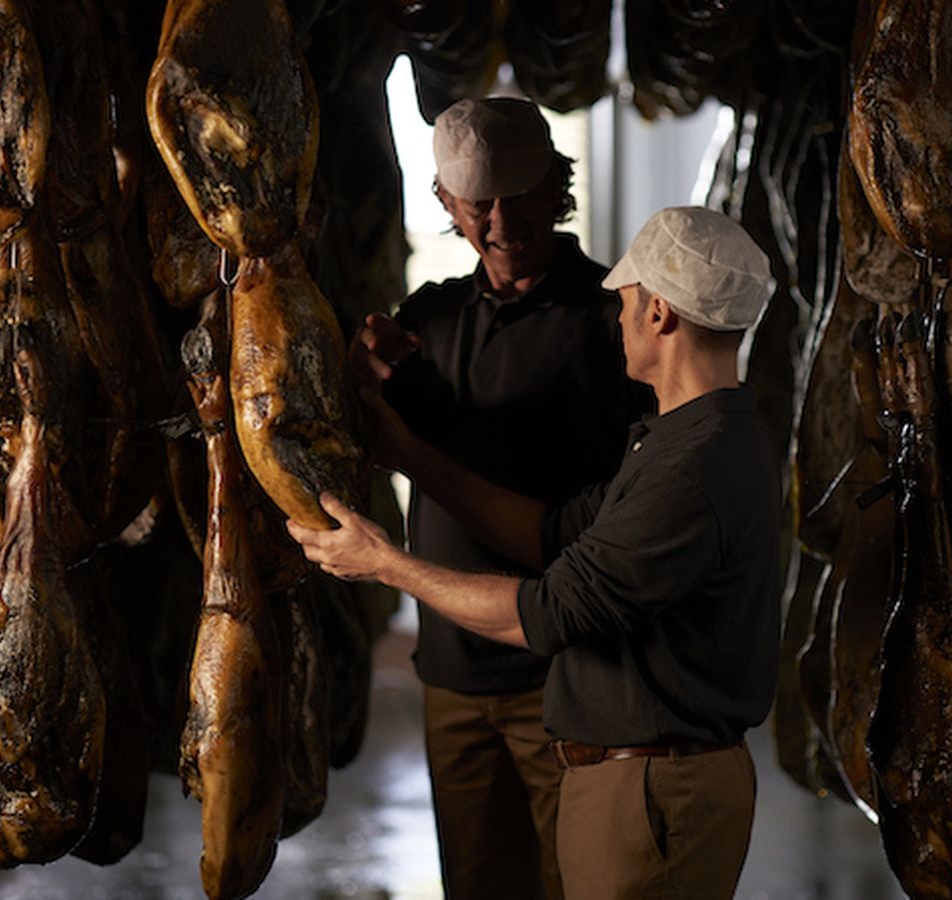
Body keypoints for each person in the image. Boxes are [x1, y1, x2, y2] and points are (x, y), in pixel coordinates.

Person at [292, 206, 783, 900]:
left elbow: (546, 612)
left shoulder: (693, 468)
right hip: (640, 785)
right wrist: (409, 456)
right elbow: (555, 533)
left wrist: (383, 562)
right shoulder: (693, 438)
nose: (616, 319)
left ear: (661, 316)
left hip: (652, 795)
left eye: (625, 304)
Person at [354, 97, 642, 900]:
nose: (501, 219)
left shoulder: (613, 318)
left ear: (557, 185)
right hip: (451, 677)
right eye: (478, 202)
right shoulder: (429, 319)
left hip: (567, 679)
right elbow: (363, 441)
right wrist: (355, 369)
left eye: (519, 193)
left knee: (580, 885)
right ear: (446, 204)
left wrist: (412, 451)